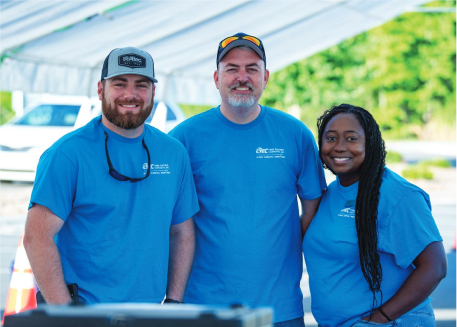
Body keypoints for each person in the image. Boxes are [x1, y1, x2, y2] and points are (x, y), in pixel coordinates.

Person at [169, 33, 327, 326]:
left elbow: (313, 211)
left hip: (279, 309)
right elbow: (170, 222)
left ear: (265, 77)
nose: (242, 77)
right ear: (216, 78)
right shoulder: (184, 139)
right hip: (203, 308)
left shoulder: (295, 135)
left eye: (252, 68)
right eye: (232, 68)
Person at [23, 47, 199, 305]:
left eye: (141, 85)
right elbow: (37, 237)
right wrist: (66, 314)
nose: (131, 94)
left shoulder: (173, 153)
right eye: (119, 84)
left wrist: (173, 303)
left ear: (153, 92)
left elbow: (182, 233)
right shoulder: (68, 155)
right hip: (84, 314)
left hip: (149, 315)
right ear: (100, 89)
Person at [303, 104, 447, 327]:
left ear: (369, 143)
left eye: (351, 139)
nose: (339, 147)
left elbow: (435, 266)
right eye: (330, 138)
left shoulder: (398, 195)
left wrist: (380, 318)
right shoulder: (331, 193)